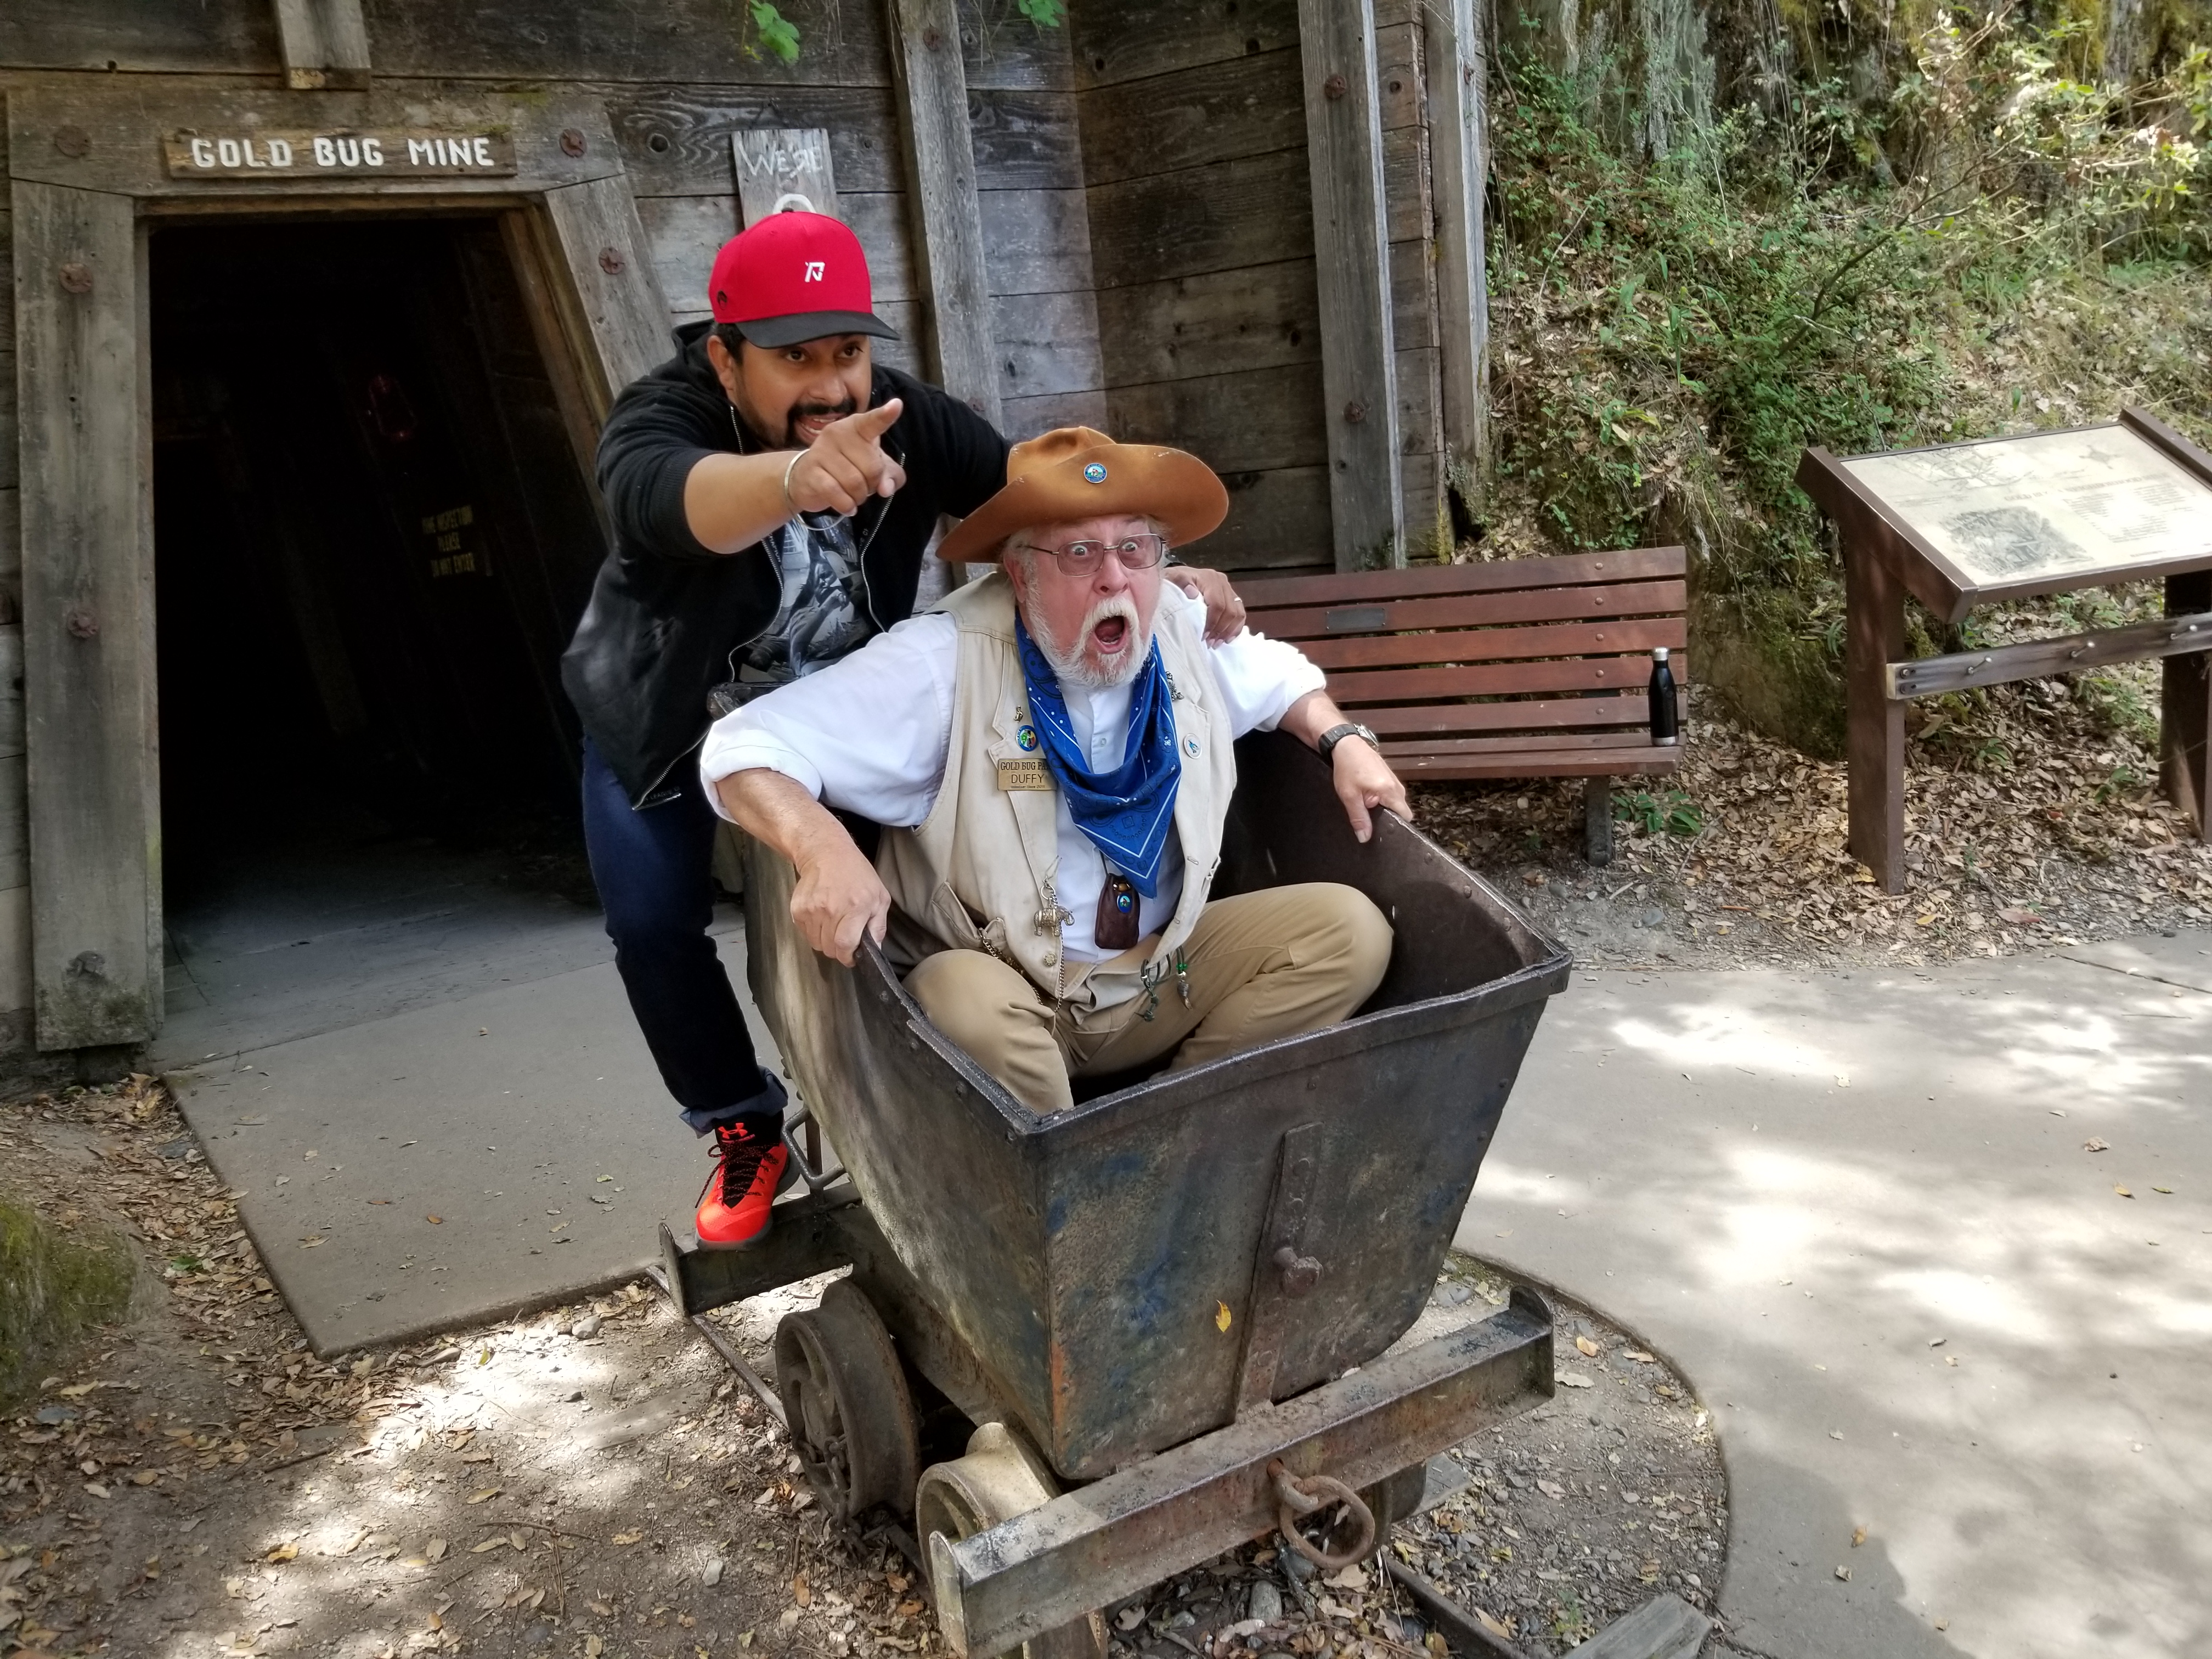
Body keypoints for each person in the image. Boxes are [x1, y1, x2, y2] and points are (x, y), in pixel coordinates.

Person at [559, 214, 1248, 1249]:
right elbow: (668, 500)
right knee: (653, 923)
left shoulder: (905, 422)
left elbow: (1038, 498)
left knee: (880, 907)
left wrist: (1140, 569)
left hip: (834, 709)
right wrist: (795, 481)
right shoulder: (662, 419)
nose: (831, 386)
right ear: (724, 357)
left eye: (847, 352)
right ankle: (743, 1126)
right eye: (795, 360)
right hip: (666, 712)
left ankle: (932, 1095)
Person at [703, 426, 1413, 1132]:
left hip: (1159, 973)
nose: (1115, 578)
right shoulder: (940, 663)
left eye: (1134, 548)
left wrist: (1342, 738)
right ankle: (1071, 1176)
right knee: (960, 999)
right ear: (1019, 573)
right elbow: (743, 745)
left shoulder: (1171, 621)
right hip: (1013, 996)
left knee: (1348, 933)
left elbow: (1277, 675)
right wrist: (820, 848)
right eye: (1079, 552)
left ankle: (1175, 1128)